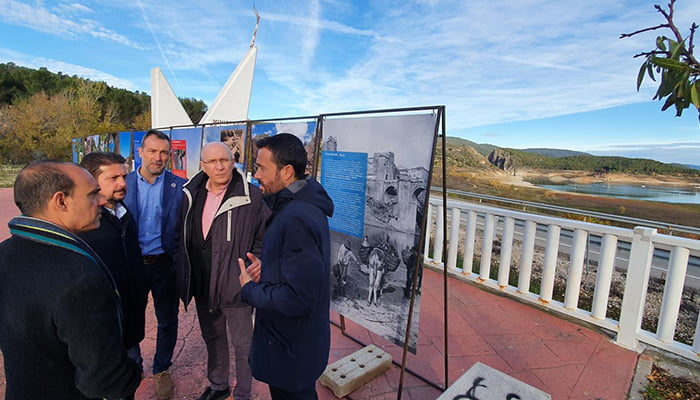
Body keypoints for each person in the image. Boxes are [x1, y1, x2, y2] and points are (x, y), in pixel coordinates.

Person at [0, 161, 142, 399]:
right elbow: (105, 380)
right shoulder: (79, 278)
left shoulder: (4, 253)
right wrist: (132, 373)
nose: (102, 201)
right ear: (61, 201)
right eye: (92, 194)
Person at [238, 133, 334, 400]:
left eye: (261, 168)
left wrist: (249, 290)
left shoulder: (296, 216)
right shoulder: (297, 205)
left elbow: (298, 297)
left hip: (291, 349)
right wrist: (269, 268)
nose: (256, 175)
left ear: (287, 172)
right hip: (295, 345)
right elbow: (302, 272)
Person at [175, 142, 270, 400]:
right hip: (203, 284)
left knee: (243, 345)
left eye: (225, 160)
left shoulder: (252, 196)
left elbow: (266, 236)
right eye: (213, 161)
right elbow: (180, 235)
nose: (219, 166)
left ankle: (243, 394)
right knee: (213, 338)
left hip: (236, 286)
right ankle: (218, 385)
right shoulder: (191, 194)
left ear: (233, 162)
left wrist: (258, 262)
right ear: (203, 166)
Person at [125, 129, 186, 400]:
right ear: (140, 152)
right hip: (132, 264)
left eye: (164, 152)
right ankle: (133, 365)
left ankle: (162, 368)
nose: (158, 157)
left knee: (167, 320)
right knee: (130, 318)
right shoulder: (123, 184)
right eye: (152, 151)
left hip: (164, 264)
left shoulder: (179, 186)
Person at [78, 152, 148, 378]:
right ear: (90, 181)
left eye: (124, 177)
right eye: (113, 178)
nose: (122, 183)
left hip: (129, 325)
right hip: (101, 332)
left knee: (130, 376)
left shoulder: (124, 213)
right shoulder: (83, 224)